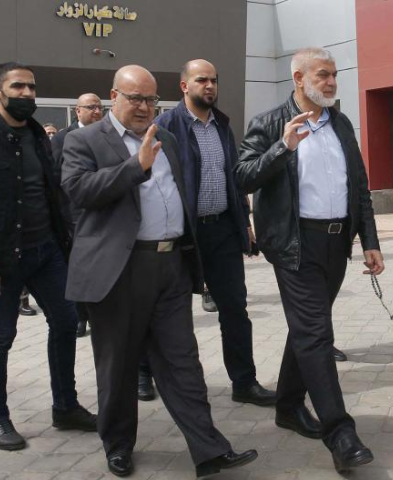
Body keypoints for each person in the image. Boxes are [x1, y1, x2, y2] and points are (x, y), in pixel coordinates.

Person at [61, 65, 257, 478]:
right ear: (114, 96)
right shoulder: (84, 140)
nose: (145, 107)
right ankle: (117, 446)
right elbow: (80, 192)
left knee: (183, 362)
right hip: (119, 271)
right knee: (117, 367)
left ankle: (209, 450)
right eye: (135, 98)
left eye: (151, 99)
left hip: (170, 266)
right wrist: (137, 166)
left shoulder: (166, 137)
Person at [235, 47, 383, 472]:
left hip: (336, 245)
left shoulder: (340, 123)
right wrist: (283, 147)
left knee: (305, 329)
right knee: (317, 333)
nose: (332, 82)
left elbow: (359, 183)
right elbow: (243, 176)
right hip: (294, 245)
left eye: (334, 75)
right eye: (323, 75)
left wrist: (369, 239)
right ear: (298, 78)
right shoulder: (267, 123)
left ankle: (286, 406)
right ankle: (340, 433)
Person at [154, 59, 276, 406]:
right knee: (165, 313)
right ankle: (147, 376)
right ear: (184, 86)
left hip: (221, 230)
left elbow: (233, 177)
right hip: (182, 236)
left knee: (235, 309)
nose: (209, 86)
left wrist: (244, 221)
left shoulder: (222, 125)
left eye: (214, 80)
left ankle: (244, 382)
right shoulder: (166, 125)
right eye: (201, 80)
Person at [0, 62, 97, 451]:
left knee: (66, 320)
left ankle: (65, 406)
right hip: (4, 257)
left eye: (31, 87)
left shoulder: (40, 135)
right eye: (17, 86)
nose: (26, 93)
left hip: (46, 249)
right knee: (3, 339)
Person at [51, 93, 104, 338]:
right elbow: (55, 179)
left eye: (99, 107)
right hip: (73, 219)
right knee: (80, 271)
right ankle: (82, 317)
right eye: (91, 107)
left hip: (103, 216)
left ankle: (99, 316)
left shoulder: (107, 136)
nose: (96, 111)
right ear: (77, 111)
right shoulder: (63, 138)